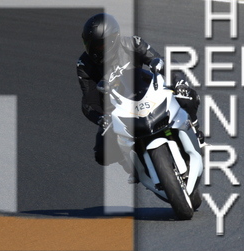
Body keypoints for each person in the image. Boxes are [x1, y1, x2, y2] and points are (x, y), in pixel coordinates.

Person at [76, 13, 202, 183]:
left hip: (147, 93)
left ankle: (195, 130)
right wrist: (101, 118)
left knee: (187, 95)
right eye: (89, 45)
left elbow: (159, 61)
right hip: (117, 108)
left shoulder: (133, 43)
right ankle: (131, 165)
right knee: (101, 153)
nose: (94, 51)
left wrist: (178, 83)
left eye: (100, 45)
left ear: (113, 39)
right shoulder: (84, 65)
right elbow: (89, 101)